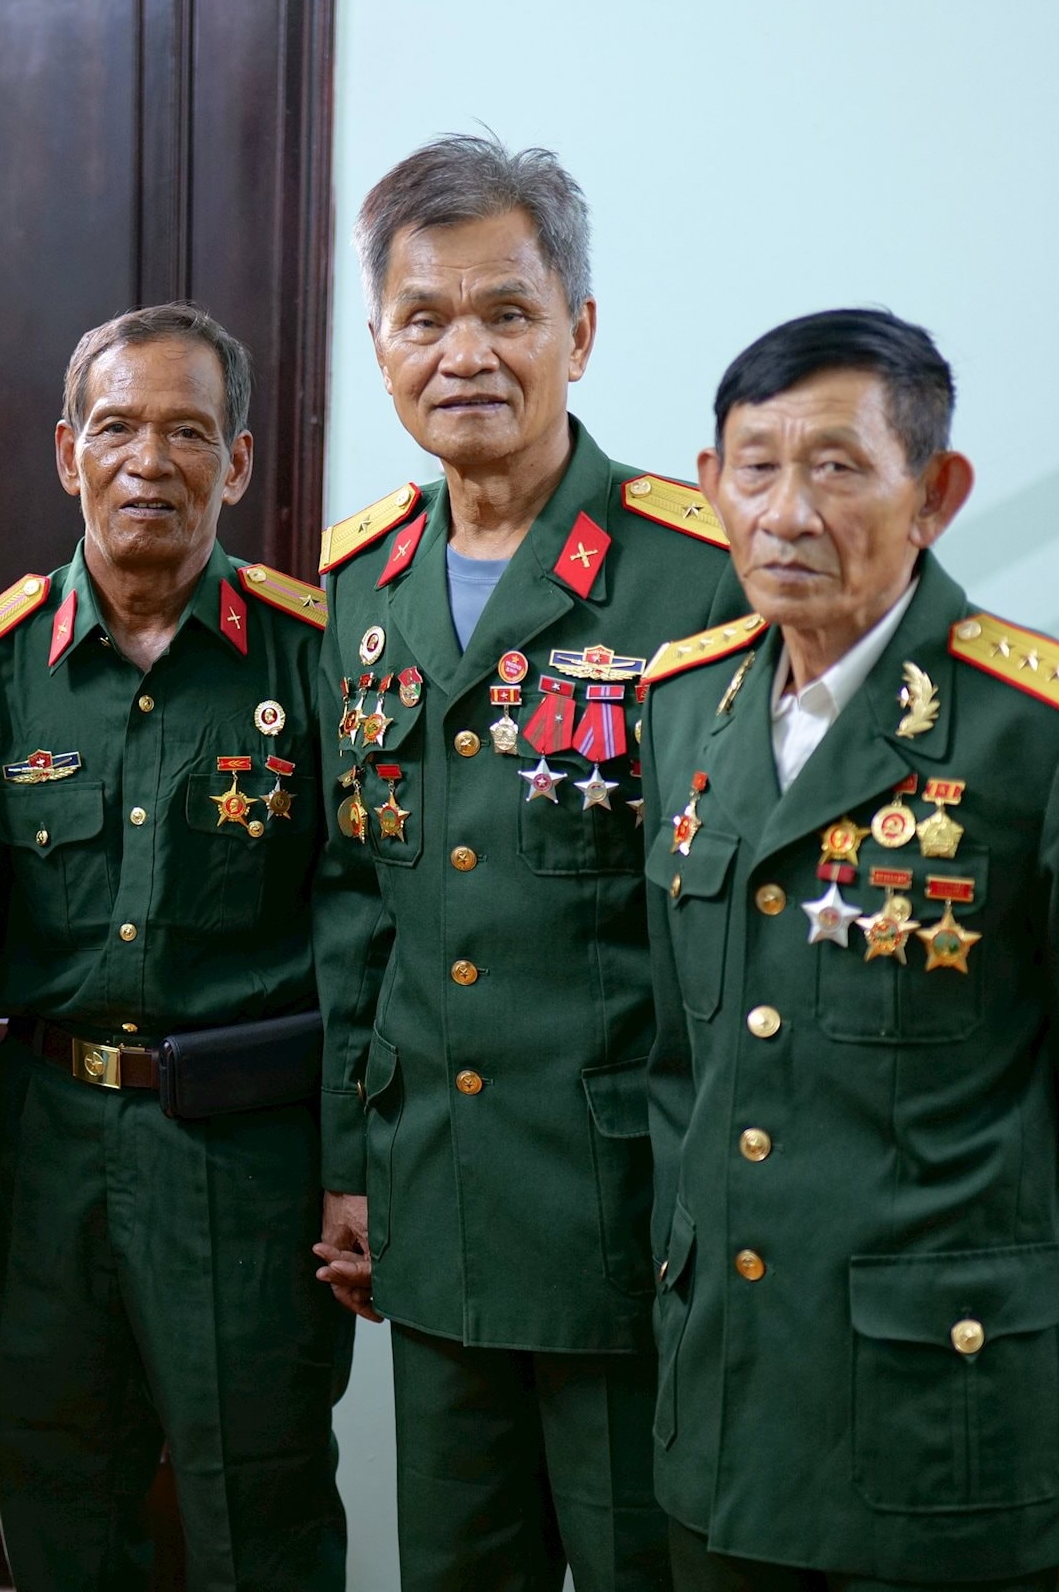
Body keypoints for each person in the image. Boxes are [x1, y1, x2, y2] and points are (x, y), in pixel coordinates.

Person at [637, 309, 1059, 1589]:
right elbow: (677, 1061)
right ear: (710, 484)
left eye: (837, 467)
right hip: (725, 1404)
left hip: (949, 1420)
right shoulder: (682, 706)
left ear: (935, 494)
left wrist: (1037, 1340)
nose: (787, 512)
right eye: (755, 468)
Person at [309, 135, 746, 1592]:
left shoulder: (699, 572)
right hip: (435, 1200)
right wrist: (350, 1161)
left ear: (580, 330)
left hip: (630, 1210)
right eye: (423, 318)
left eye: (507, 312)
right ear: (381, 346)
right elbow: (354, 902)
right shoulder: (357, 587)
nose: (466, 353)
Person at [0, 302, 352, 1590]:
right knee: (57, 1499)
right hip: (47, 1148)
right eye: (114, 428)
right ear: (68, 452)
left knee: (261, 1507)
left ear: (240, 461)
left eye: (187, 432)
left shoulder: (314, 661)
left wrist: (355, 1168)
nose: (148, 461)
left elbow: (360, 933)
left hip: (249, 1155)